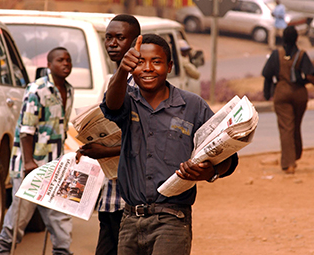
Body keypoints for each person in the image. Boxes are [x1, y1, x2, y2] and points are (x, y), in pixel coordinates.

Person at [100, 33, 238, 255]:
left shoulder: (193, 106)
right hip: (129, 220)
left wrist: (209, 172)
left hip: (172, 220)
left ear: (170, 66)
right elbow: (111, 105)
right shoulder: (127, 101)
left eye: (156, 62)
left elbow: (228, 157)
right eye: (139, 62)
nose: (147, 68)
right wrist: (122, 70)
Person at [0, 47, 74, 255]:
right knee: (18, 220)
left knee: (60, 219)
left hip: (55, 165)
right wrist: (29, 162)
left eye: (68, 60)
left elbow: (61, 129)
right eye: (60, 60)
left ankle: (62, 251)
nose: (65, 64)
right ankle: (2, 251)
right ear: (49, 65)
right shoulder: (36, 89)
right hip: (31, 166)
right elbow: (26, 130)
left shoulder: (69, 89)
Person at [76, 14, 141, 255]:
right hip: (109, 196)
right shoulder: (110, 82)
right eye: (108, 38)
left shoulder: (142, 83)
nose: (112, 44)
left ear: (136, 42)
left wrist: (105, 151)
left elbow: (145, 139)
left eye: (120, 38)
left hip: (131, 199)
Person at [262, 26, 314, 174]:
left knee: (286, 128)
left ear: (283, 38)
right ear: (297, 38)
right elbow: (309, 75)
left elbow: (267, 75)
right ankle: (295, 155)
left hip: (282, 93)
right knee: (295, 125)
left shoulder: (276, 54)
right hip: (299, 94)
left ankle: (289, 163)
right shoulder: (301, 54)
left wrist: (267, 93)